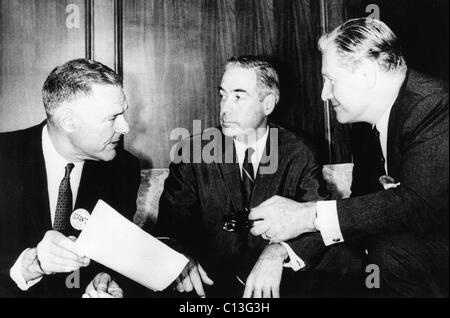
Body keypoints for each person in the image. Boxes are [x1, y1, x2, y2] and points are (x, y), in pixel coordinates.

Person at [249, 18, 449, 297]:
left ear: (366, 74)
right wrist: (283, 249)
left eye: (330, 80)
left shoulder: (435, 106)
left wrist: (309, 215)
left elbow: (418, 205)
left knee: (389, 254)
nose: (323, 94)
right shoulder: (366, 126)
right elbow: (360, 211)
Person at [155, 56, 359, 298]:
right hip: (209, 286)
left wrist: (279, 250)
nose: (225, 108)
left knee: (351, 266)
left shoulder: (300, 150)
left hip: (281, 283)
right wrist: (181, 259)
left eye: (238, 96)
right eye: (223, 95)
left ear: (268, 104)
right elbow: (169, 231)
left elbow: (317, 220)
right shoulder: (192, 152)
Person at [0, 59, 141, 298]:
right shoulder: (4, 158)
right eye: (112, 118)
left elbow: (116, 254)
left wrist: (105, 279)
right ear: (68, 121)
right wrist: (32, 264)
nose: (125, 127)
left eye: (123, 114)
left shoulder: (124, 168)